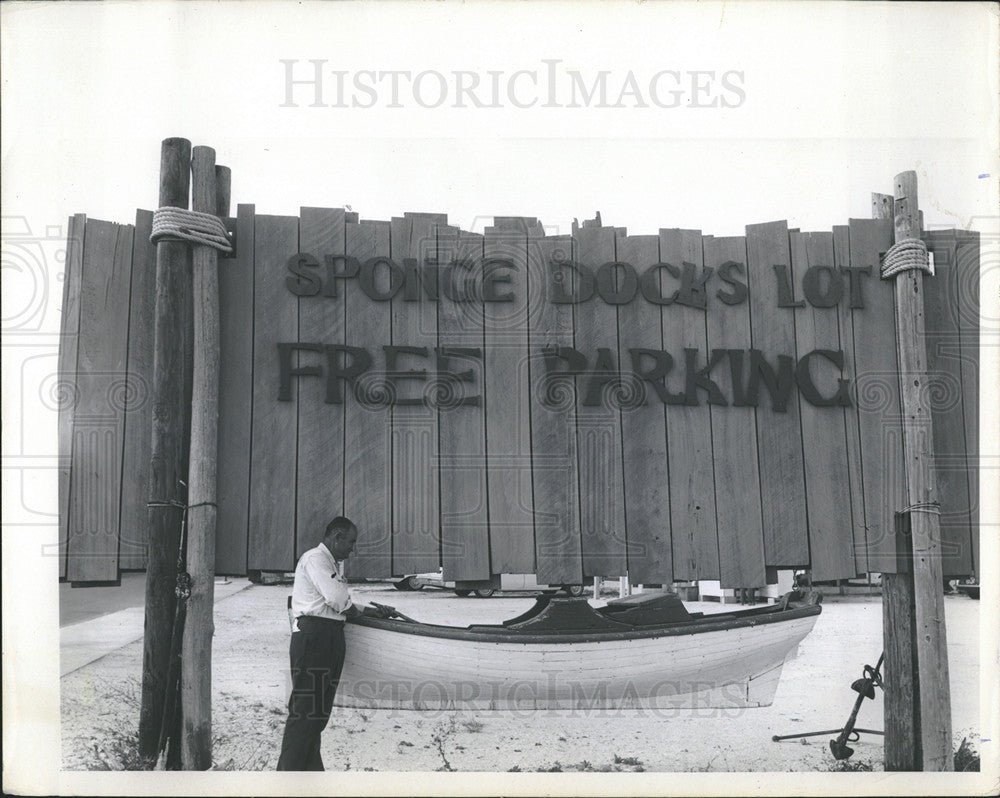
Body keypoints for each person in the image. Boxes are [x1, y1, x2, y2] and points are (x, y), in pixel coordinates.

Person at [276, 515, 383, 770]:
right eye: (350, 542)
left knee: (317, 715)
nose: (352, 548)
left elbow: (338, 603)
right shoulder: (315, 559)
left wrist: (369, 611)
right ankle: (284, 780)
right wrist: (358, 611)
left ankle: (311, 777)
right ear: (336, 537)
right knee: (305, 714)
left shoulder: (329, 563)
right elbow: (337, 598)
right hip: (315, 637)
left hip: (328, 635)